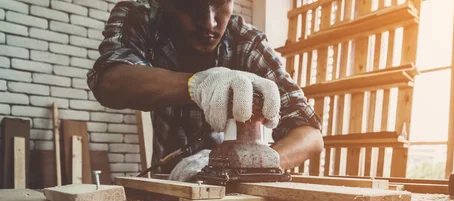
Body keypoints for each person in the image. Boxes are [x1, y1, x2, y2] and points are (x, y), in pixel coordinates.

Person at [87, 0, 323, 181]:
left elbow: (310, 135)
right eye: (193, 5)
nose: (209, 22)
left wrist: (258, 163)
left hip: (235, 186)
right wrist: (196, 84)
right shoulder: (141, 16)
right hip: (166, 182)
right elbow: (110, 81)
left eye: (220, 3)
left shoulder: (246, 41)